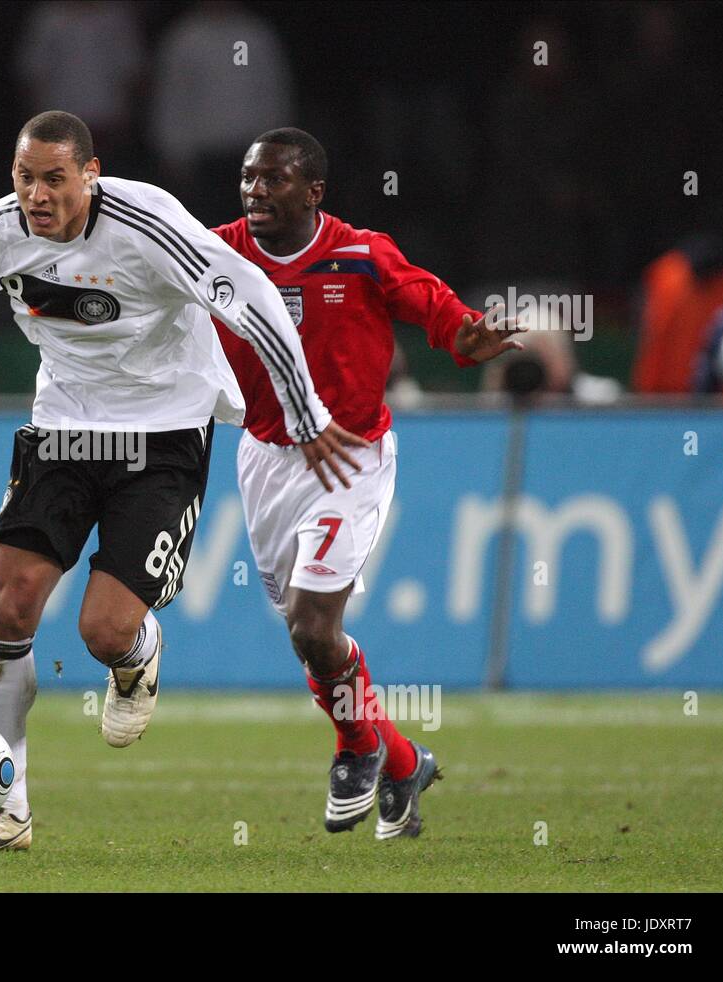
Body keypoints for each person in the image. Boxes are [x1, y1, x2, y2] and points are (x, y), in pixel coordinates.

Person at [0, 111, 365, 852]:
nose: (35, 195)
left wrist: (303, 411)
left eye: (53, 178)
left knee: (101, 631)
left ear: (90, 174)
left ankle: (135, 658)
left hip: (165, 436)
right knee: (8, 611)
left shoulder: (148, 225)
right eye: (23, 177)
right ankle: (3, 814)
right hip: (62, 433)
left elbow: (252, 294)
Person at [211, 129, 523, 839]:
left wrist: (464, 336)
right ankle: (405, 761)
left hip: (349, 460)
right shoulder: (217, 253)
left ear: (314, 191)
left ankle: (356, 747)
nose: (257, 192)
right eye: (248, 178)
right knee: (307, 641)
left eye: (275, 180)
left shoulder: (360, 255)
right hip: (263, 460)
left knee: (314, 622)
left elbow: (438, 308)